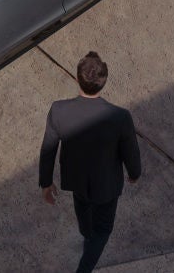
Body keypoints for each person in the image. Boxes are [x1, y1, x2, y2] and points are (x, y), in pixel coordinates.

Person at [39, 51, 142, 272]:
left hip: (76, 181)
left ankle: (88, 237)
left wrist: (46, 182)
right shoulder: (120, 117)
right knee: (103, 230)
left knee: (84, 216)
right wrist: (134, 174)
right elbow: (131, 153)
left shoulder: (59, 110)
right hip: (107, 186)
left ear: (78, 79)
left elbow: (48, 149)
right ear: (104, 82)